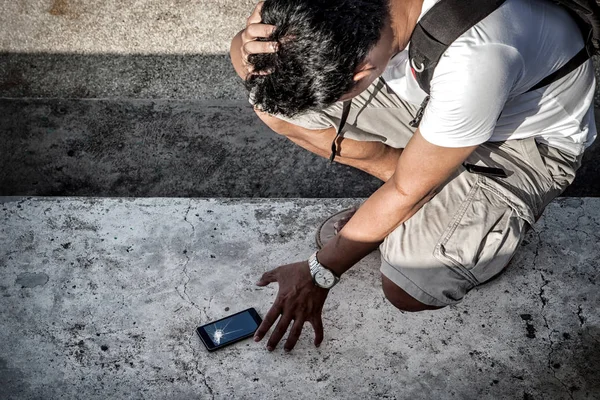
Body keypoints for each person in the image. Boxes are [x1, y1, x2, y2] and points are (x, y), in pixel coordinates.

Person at [229, 0, 596, 352]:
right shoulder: (346, 18)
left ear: (361, 73)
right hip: (436, 96)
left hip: (522, 144)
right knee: (274, 101)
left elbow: (406, 188)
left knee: (409, 285)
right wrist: (247, 44)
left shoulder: (475, 58)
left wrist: (319, 271)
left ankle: (470, 221)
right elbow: (251, 60)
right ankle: (429, 195)